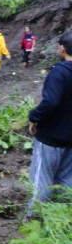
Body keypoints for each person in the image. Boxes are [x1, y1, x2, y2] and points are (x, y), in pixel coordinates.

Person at [27, 31, 72, 206]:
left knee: (40, 179)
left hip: (52, 136)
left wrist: (34, 116)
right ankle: (61, 220)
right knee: (67, 179)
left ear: (62, 48)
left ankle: (34, 219)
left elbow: (51, 102)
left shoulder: (59, 72)